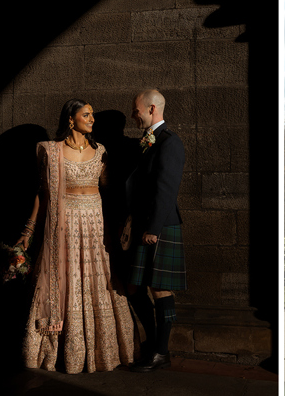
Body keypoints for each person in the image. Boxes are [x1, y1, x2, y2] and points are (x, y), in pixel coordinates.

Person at [18, 99, 137, 373]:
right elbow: (43, 195)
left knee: (101, 283)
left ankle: (103, 352)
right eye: (86, 114)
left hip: (95, 225)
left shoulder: (101, 151)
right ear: (70, 119)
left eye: (92, 115)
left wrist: (116, 226)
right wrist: (28, 230)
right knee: (66, 279)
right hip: (65, 226)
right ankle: (56, 353)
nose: (92, 119)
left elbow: (108, 191)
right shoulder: (51, 151)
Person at [123, 89, 186, 372]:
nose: (133, 115)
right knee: (134, 287)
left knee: (160, 289)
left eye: (136, 110)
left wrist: (153, 229)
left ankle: (161, 351)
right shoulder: (149, 141)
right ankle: (153, 343)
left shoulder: (169, 142)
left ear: (151, 109)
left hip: (158, 226)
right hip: (144, 223)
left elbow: (166, 189)